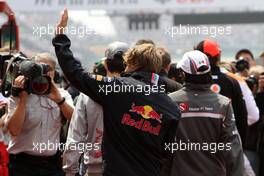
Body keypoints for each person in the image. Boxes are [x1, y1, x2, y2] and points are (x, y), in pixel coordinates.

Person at [53, 9, 180, 176]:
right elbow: (168, 153)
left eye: (127, 64)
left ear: (133, 64)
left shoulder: (117, 88)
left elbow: (76, 74)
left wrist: (60, 38)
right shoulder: (171, 107)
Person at [164, 50, 244, 176]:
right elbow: (233, 148)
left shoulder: (169, 101)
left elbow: (163, 145)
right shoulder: (223, 104)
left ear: (183, 74)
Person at [63, 41, 129, 176]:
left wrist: (70, 170)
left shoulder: (87, 94)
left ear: (105, 64)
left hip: (94, 169)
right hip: (127, 169)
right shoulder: (138, 93)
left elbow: (76, 136)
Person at [6, 53, 74, 176]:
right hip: (22, 165)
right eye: (38, 67)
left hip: (52, 165)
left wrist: (59, 100)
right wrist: (23, 100)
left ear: (54, 73)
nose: (43, 71)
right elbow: (14, 130)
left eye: (47, 68)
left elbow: (76, 121)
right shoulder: (20, 93)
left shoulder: (62, 94)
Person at [195, 39, 248, 147]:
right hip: (227, 144)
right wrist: (239, 145)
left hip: (198, 144)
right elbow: (242, 116)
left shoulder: (192, 81)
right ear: (218, 56)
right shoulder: (232, 81)